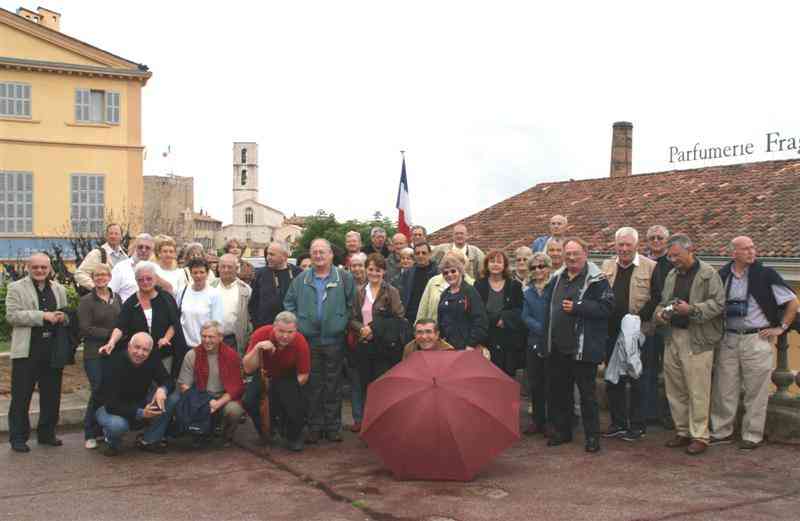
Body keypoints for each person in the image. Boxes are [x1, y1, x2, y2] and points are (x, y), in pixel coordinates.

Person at [710, 236, 798, 450]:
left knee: (756, 390)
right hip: (729, 337)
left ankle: (752, 435)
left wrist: (782, 327)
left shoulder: (765, 274)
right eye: (746, 249)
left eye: (752, 247)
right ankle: (721, 431)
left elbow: (793, 302)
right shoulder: (723, 275)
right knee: (724, 389)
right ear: (734, 253)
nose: (751, 252)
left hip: (756, 338)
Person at [655, 234, 724, 456]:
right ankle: (683, 431)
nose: (673, 259)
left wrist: (692, 309)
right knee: (675, 388)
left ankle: (700, 436)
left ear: (690, 250)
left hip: (697, 338)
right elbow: (664, 301)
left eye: (677, 255)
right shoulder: (672, 274)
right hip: (672, 336)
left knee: (698, 389)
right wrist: (661, 313)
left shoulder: (708, 274)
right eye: (670, 256)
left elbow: (718, 304)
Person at [543, 238, 613, 454]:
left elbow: (607, 308)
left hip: (583, 348)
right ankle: (563, 432)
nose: (571, 257)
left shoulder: (598, 280)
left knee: (587, 396)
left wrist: (578, 307)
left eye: (576, 253)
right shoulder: (557, 277)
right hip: (558, 347)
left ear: (586, 253)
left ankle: (592, 437)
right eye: (568, 253)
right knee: (560, 393)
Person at [284, 238, 355, 443]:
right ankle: (314, 426)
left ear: (331, 255)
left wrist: (341, 321)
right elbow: (289, 303)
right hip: (310, 341)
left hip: (335, 340)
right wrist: (299, 322)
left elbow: (352, 304)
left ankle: (333, 427)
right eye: (314, 251)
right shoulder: (301, 279)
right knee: (313, 385)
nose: (318, 255)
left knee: (333, 384)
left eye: (322, 251)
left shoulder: (344, 278)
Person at [5, 253, 70, 453]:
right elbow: (12, 316)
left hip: (52, 351)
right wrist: (42, 316)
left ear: (49, 268)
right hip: (27, 351)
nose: (40, 270)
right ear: (28, 268)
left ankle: (47, 434)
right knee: (21, 396)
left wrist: (63, 316)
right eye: (35, 267)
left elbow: (65, 313)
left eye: (43, 267)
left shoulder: (59, 289)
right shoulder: (15, 288)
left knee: (52, 396)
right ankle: (18, 437)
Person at [147, 321, 245, 448]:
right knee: (175, 399)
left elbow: (236, 387)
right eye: (204, 336)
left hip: (222, 397)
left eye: (211, 337)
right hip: (198, 396)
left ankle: (225, 436)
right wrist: (203, 401)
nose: (207, 340)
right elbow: (184, 386)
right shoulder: (192, 355)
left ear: (220, 338)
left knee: (234, 410)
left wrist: (217, 403)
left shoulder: (232, 356)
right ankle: (189, 432)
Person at [601, 227, 656, 442]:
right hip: (611, 332)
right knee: (613, 378)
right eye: (620, 245)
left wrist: (637, 320)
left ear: (636, 245)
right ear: (615, 245)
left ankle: (637, 425)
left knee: (637, 378)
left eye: (628, 245)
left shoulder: (651, 267)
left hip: (638, 333)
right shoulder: (606, 266)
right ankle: (618, 423)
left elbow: (656, 297)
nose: (624, 249)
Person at [349, 253, 406, 420]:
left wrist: (374, 328)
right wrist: (361, 329)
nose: (374, 273)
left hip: (384, 347)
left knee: (381, 386)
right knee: (364, 385)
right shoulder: (359, 292)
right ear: (366, 270)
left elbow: (399, 318)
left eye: (378, 270)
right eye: (371, 269)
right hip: (363, 343)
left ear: (384, 272)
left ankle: (384, 420)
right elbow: (352, 318)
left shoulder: (392, 291)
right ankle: (366, 421)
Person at [93, 332, 169, 456]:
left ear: (150, 351)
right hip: (107, 407)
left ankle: (149, 439)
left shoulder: (152, 360)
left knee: (171, 397)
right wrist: (141, 413)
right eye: (137, 347)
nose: (140, 353)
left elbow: (167, 380)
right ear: (129, 346)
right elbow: (111, 404)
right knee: (118, 425)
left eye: (145, 350)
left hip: (137, 402)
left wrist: (162, 389)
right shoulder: (113, 362)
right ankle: (112, 442)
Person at [243, 312, 311, 451]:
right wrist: (257, 348)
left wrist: (285, 392)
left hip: (289, 376)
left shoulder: (300, 341)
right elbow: (247, 368)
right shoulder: (260, 334)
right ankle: (266, 430)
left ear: (296, 330)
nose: (285, 336)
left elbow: (304, 375)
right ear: (274, 327)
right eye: (281, 331)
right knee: (248, 401)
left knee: (292, 401)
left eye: (290, 332)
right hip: (264, 374)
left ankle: (293, 436)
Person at [100, 261, 183, 375]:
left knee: (164, 383)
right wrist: (111, 342)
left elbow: (174, 322)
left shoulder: (166, 298)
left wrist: (166, 338)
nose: (145, 282)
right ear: (136, 281)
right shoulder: (130, 302)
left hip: (164, 353)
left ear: (155, 278)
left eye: (149, 279)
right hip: (139, 356)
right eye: (141, 280)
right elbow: (120, 326)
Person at [77, 264, 122, 449]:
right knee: (97, 389)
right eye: (97, 275)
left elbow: (122, 321)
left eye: (104, 275)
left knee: (110, 390)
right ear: (92, 278)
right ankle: (89, 432)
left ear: (110, 277)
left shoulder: (116, 298)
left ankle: (103, 428)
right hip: (94, 353)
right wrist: (112, 334)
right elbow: (85, 329)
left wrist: (117, 337)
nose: (100, 278)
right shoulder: (86, 301)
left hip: (114, 351)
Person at [638, 225, 674, 428]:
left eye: (660, 237)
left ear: (666, 240)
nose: (656, 241)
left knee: (670, 371)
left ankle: (670, 413)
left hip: (669, 323)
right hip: (647, 324)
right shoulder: (642, 263)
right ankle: (649, 412)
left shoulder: (673, 262)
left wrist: (665, 314)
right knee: (647, 369)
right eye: (652, 237)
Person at [475, 250, 525, 377]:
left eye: (499, 262)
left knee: (507, 377)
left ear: (505, 265)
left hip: (508, 339)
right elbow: (477, 311)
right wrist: (495, 320)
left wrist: (505, 318)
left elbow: (520, 310)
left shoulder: (514, 285)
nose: (495, 264)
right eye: (492, 261)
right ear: (487, 264)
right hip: (487, 338)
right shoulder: (479, 285)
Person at [521, 253, 552, 436]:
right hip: (534, 341)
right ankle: (537, 421)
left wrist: (547, 330)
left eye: (541, 266)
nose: (538, 270)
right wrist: (540, 329)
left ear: (548, 268)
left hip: (552, 342)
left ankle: (550, 421)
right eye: (533, 267)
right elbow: (525, 316)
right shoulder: (527, 292)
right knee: (535, 383)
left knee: (550, 383)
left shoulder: (554, 288)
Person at [436, 254, 488, 351]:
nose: (449, 275)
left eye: (453, 271)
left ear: (460, 271)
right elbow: (440, 321)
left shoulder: (470, 291)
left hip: (467, 347)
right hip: (448, 346)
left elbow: (480, 321)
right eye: (445, 273)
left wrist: (471, 344)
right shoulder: (444, 295)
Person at [249, 242, 303, 330]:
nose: (268, 257)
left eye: (272, 254)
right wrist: (257, 324)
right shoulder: (260, 274)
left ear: (284, 256)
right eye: (267, 254)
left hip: (291, 329)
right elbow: (253, 303)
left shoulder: (298, 273)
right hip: (265, 327)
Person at [177, 258, 224, 353]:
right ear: (190, 274)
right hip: (183, 346)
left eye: (202, 272)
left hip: (205, 347)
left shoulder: (214, 294)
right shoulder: (182, 291)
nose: (198, 276)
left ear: (207, 273)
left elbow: (217, 323)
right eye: (195, 272)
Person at [210, 254, 252, 355]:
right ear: (218, 268)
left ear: (237, 269)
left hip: (233, 340)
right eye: (223, 266)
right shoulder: (210, 287)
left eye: (230, 267)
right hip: (211, 338)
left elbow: (249, 317)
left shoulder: (245, 290)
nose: (226, 270)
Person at [343, 251, 366, 433]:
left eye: (360, 265)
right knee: (355, 382)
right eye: (353, 266)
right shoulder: (345, 286)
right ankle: (358, 418)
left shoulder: (375, 285)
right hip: (352, 340)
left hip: (373, 339)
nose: (357, 269)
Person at [416, 251, 474, 323]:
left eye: (453, 262)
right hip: (433, 327)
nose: (448, 264)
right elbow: (423, 308)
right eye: (446, 262)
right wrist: (418, 326)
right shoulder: (433, 281)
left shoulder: (472, 285)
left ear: (462, 265)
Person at [74, 223, 129, 292]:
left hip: (120, 297)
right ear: (106, 236)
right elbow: (79, 274)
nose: (113, 236)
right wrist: (97, 288)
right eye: (111, 233)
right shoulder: (97, 254)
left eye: (116, 234)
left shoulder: (125, 257)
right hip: (101, 298)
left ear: (121, 237)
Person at [109, 233, 157, 303]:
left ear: (152, 251)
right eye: (140, 247)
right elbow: (110, 294)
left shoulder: (156, 270)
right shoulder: (121, 268)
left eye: (147, 248)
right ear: (134, 248)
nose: (143, 250)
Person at [399, 242, 439, 323]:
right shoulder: (407, 274)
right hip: (410, 318)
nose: (420, 255)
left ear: (430, 254)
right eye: (417, 253)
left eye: (424, 253)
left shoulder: (437, 273)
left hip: (430, 318)